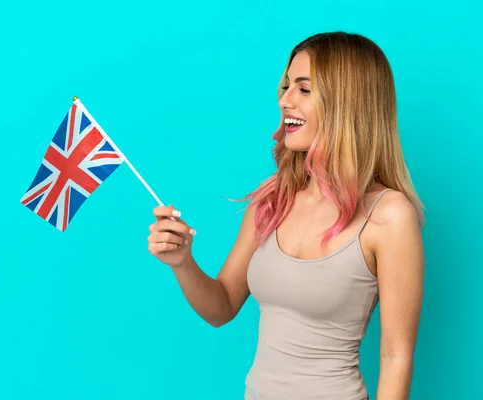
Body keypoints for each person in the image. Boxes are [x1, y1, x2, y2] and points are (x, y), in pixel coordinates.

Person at [147, 31, 425, 400]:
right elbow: (223, 306)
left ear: (347, 103)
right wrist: (182, 262)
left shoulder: (390, 217)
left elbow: (395, 357)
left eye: (304, 90)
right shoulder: (271, 201)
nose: (285, 100)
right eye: (286, 86)